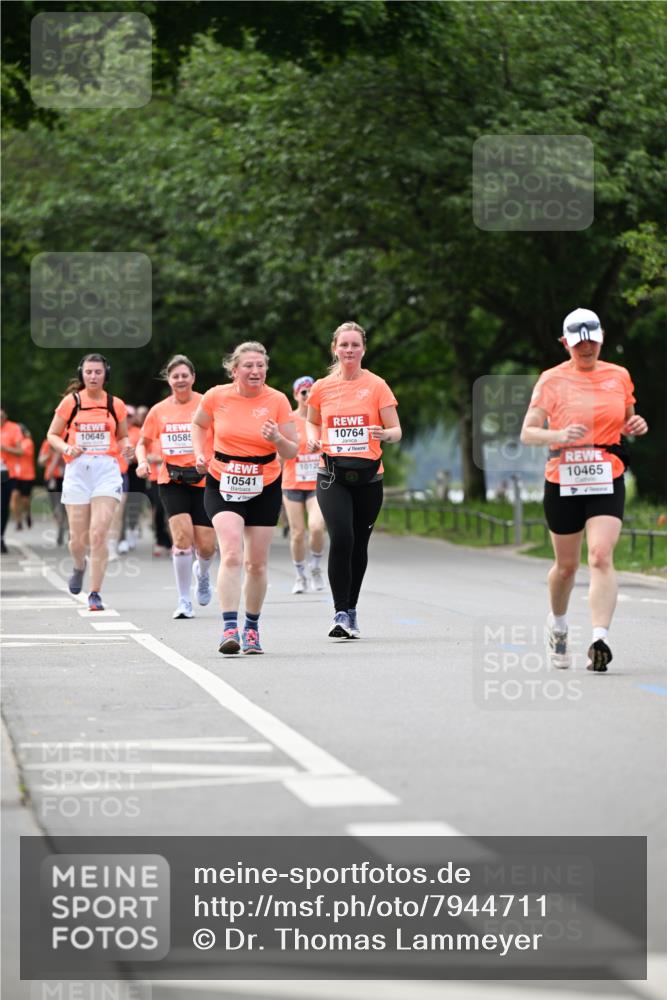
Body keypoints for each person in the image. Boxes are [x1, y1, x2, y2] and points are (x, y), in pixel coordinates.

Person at [520, 307, 649, 672]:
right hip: (563, 477)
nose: (587, 349)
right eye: (578, 344)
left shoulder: (618, 375)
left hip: (606, 474)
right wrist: (559, 434)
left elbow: (626, 420)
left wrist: (634, 425)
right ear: (566, 343)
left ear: (602, 338)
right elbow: (528, 432)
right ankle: (559, 625)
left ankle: (599, 639)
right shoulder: (551, 379)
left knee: (601, 556)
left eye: (592, 341)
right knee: (566, 567)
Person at [192, 341, 298, 655]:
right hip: (223, 481)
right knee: (232, 554)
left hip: (265, 484)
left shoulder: (277, 400)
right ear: (234, 370)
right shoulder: (216, 396)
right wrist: (199, 454)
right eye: (248, 366)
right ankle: (229, 628)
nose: (255, 371)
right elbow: (198, 425)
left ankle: (251, 628)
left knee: (256, 564)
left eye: (260, 366)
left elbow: (293, 450)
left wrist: (276, 438)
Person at [306, 321, 401, 639]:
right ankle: (340, 612)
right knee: (342, 537)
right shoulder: (322, 387)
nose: (349, 350)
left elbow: (396, 430)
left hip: (369, 477)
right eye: (344, 344)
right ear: (335, 348)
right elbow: (312, 422)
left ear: (363, 349)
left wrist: (384, 434)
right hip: (331, 474)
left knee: (359, 543)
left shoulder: (377, 385)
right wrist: (313, 438)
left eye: (355, 345)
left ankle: (352, 608)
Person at [46, 353, 133, 611]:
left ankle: (95, 593)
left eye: (98, 372)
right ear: (81, 374)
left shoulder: (115, 404)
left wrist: (127, 446)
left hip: (106, 470)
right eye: (88, 372)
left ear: (106, 374)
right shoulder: (71, 402)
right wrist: (67, 448)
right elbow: (52, 434)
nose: (93, 376)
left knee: (98, 534)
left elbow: (122, 436)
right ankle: (78, 565)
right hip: (77, 471)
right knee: (77, 540)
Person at [136, 354, 216, 620]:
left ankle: (202, 574)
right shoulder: (158, 410)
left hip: (204, 479)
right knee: (182, 540)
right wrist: (142, 461)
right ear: (168, 380)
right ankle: (183, 600)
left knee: (206, 546)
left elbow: (224, 434)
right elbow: (142, 442)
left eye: (185, 375)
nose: (180, 380)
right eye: (175, 376)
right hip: (172, 480)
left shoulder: (207, 403)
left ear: (193, 377)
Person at [281, 375, 326, 594]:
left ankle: (315, 567)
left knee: (316, 527)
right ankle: (300, 575)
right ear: (296, 395)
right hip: (292, 483)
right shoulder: (288, 420)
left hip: (317, 483)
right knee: (297, 533)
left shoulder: (322, 418)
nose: (307, 395)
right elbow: (279, 453)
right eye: (303, 391)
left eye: (311, 391)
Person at [1, 408, 24, 554]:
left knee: (3, 506)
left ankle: (1, 537)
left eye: (2, 416)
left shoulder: (14, 428)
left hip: (7, 473)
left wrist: (5, 448)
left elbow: (20, 451)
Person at [38, 437, 66, 545]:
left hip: (64, 477)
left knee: (64, 506)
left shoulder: (67, 441)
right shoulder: (48, 442)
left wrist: (59, 457)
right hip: (51, 478)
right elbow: (40, 461)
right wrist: (50, 455)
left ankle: (64, 525)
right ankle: (60, 526)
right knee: (55, 505)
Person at [11, 425, 36, 530]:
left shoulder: (27, 442)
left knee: (25, 500)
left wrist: (6, 448)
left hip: (27, 475)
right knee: (14, 497)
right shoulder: (12, 442)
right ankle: (18, 521)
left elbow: (19, 452)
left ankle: (27, 513)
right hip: (15, 474)